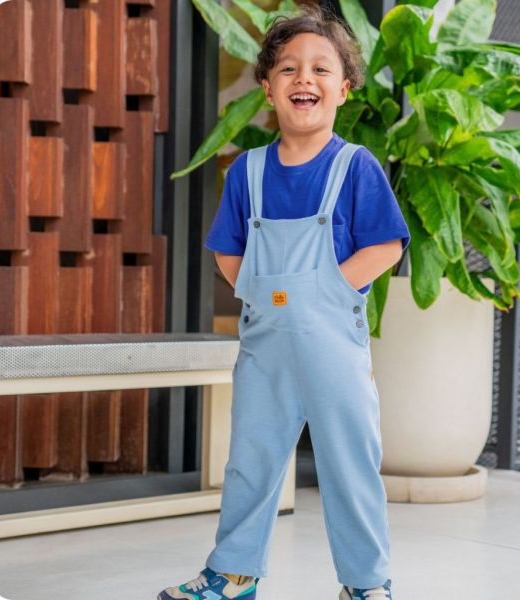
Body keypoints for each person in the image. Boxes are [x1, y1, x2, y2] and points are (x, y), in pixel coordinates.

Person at [158, 4, 410, 600]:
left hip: (334, 348)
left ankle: (367, 584)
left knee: (350, 466)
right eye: (289, 68)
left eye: (322, 69)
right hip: (265, 347)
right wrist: (266, 293)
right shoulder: (247, 172)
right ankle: (233, 574)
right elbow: (227, 251)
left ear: (343, 90)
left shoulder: (354, 166)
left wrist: (329, 289)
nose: (305, 78)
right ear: (268, 89)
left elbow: (386, 246)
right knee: (250, 461)